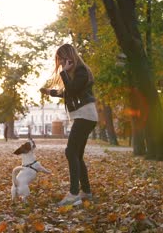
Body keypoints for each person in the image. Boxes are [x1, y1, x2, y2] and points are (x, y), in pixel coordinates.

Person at [40, 43, 98, 206]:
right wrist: (48, 92)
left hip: (84, 116)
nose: (59, 63)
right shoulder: (76, 73)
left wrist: (64, 72)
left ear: (68, 57)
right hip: (84, 116)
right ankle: (86, 191)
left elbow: (71, 91)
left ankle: (73, 194)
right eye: (58, 61)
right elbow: (68, 92)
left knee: (70, 151)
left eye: (61, 59)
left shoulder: (80, 71)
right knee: (77, 155)